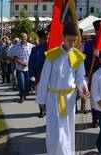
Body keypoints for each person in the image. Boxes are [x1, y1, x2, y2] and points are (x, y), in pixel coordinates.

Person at [36, 23, 89, 155]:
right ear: (63, 37)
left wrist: (84, 87)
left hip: (69, 99)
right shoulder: (52, 55)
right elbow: (44, 78)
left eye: (74, 40)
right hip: (53, 98)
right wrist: (41, 99)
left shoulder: (77, 56)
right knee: (56, 132)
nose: (72, 43)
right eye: (69, 40)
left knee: (67, 130)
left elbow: (80, 76)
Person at [29, 29, 49, 118]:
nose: (44, 40)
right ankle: (41, 111)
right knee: (39, 93)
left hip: (49, 76)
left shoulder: (50, 48)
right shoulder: (35, 49)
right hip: (39, 75)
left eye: (45, 38)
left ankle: (48, 109)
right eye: (42, 38)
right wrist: (31, 74)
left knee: (49, 94)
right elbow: (31, 62)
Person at [12, 33, 34, 103]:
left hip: (28, 68)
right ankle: (21, 96)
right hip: (19, 68)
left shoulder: (31, 46)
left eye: (24, 37)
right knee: (21, 82)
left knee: (27, 83)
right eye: (22, 37)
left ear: (27, 38)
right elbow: (14, 57)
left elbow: (33, 56)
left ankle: (24, 94)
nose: (23, 39)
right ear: (20, 38)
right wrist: (21, 63)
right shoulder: (16, 46)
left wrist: (28, 63)